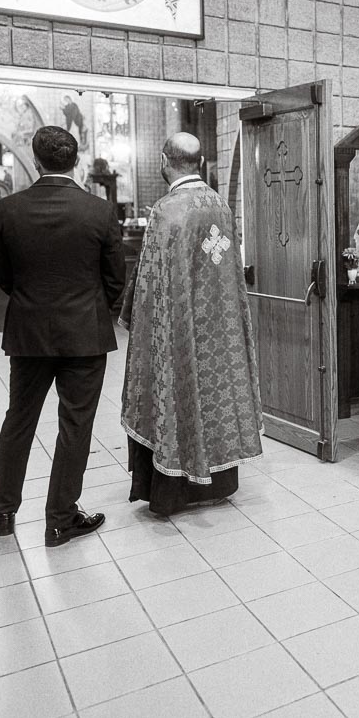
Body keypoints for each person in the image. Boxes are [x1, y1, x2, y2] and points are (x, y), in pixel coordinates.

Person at [0, 126, 126, 547]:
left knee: (19, 419)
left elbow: (4, 277)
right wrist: (89, 306)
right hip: (84, 332)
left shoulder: (8, 210)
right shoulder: (99, 211)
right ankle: (61, 519)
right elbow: (115, 280)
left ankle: (4, 510)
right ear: (77, 159)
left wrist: (34, 302)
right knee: (76, 425)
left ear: (36, 160)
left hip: (29, 332)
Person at [119, 133, 263, 514]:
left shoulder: (167, 210)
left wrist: (139, 321)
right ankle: (217, 485)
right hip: (219, 329)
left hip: (179, 329)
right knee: (213, 394)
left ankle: (174, 492)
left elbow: (150, 280)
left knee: (178, 393)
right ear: (198, 163)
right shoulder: (219, 206)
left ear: (165, 161)